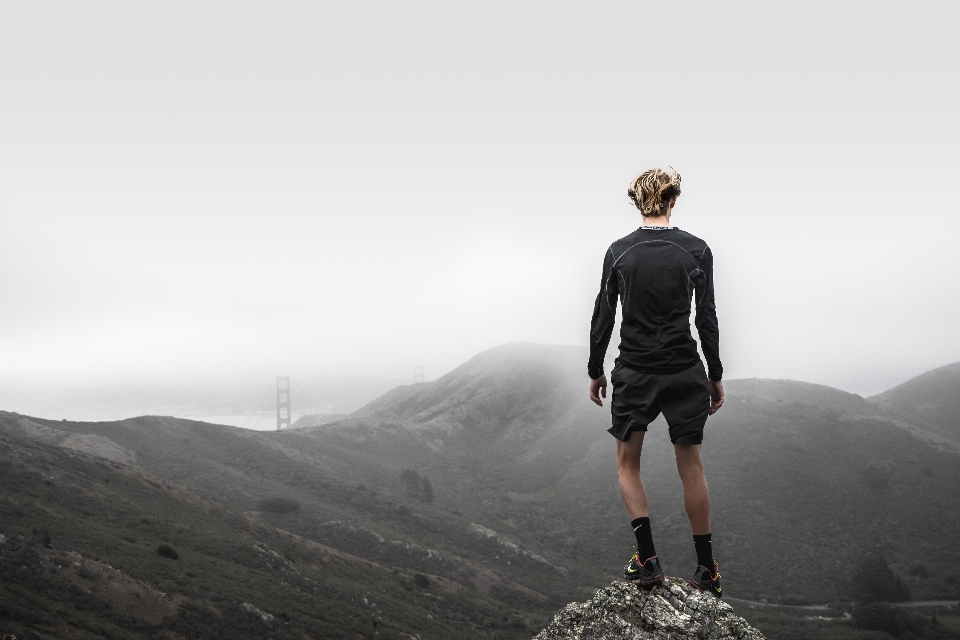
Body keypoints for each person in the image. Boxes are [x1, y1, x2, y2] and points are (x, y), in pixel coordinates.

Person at [587, 167, 725, 597]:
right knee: (692, 467)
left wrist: (595, 369)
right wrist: (714, 375)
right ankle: (707, 569)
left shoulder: (619, 253)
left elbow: (604, 315)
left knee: (628, 462)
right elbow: (706, 318)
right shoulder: (697, 251)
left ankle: (647, 560)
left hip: (636, 371)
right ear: (673, 200)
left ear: (637, 202)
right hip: (685, 370)